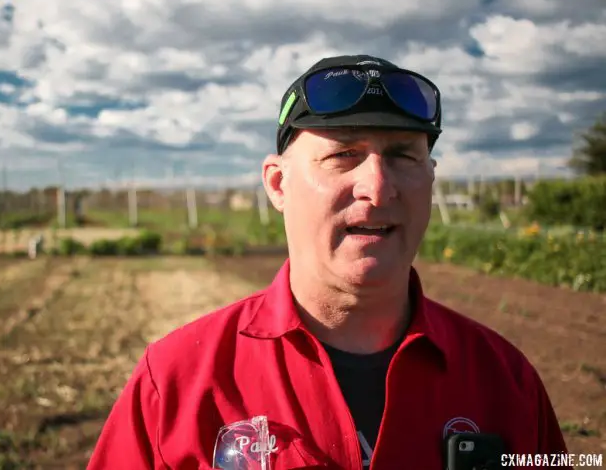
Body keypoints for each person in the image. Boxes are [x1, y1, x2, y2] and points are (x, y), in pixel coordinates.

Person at [86, 55, 570, 469]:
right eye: (343, 155)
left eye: (403, 155)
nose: (377, 187)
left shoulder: (507, 381)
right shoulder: (175, 383)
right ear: (278, 184)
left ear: (431, 180)